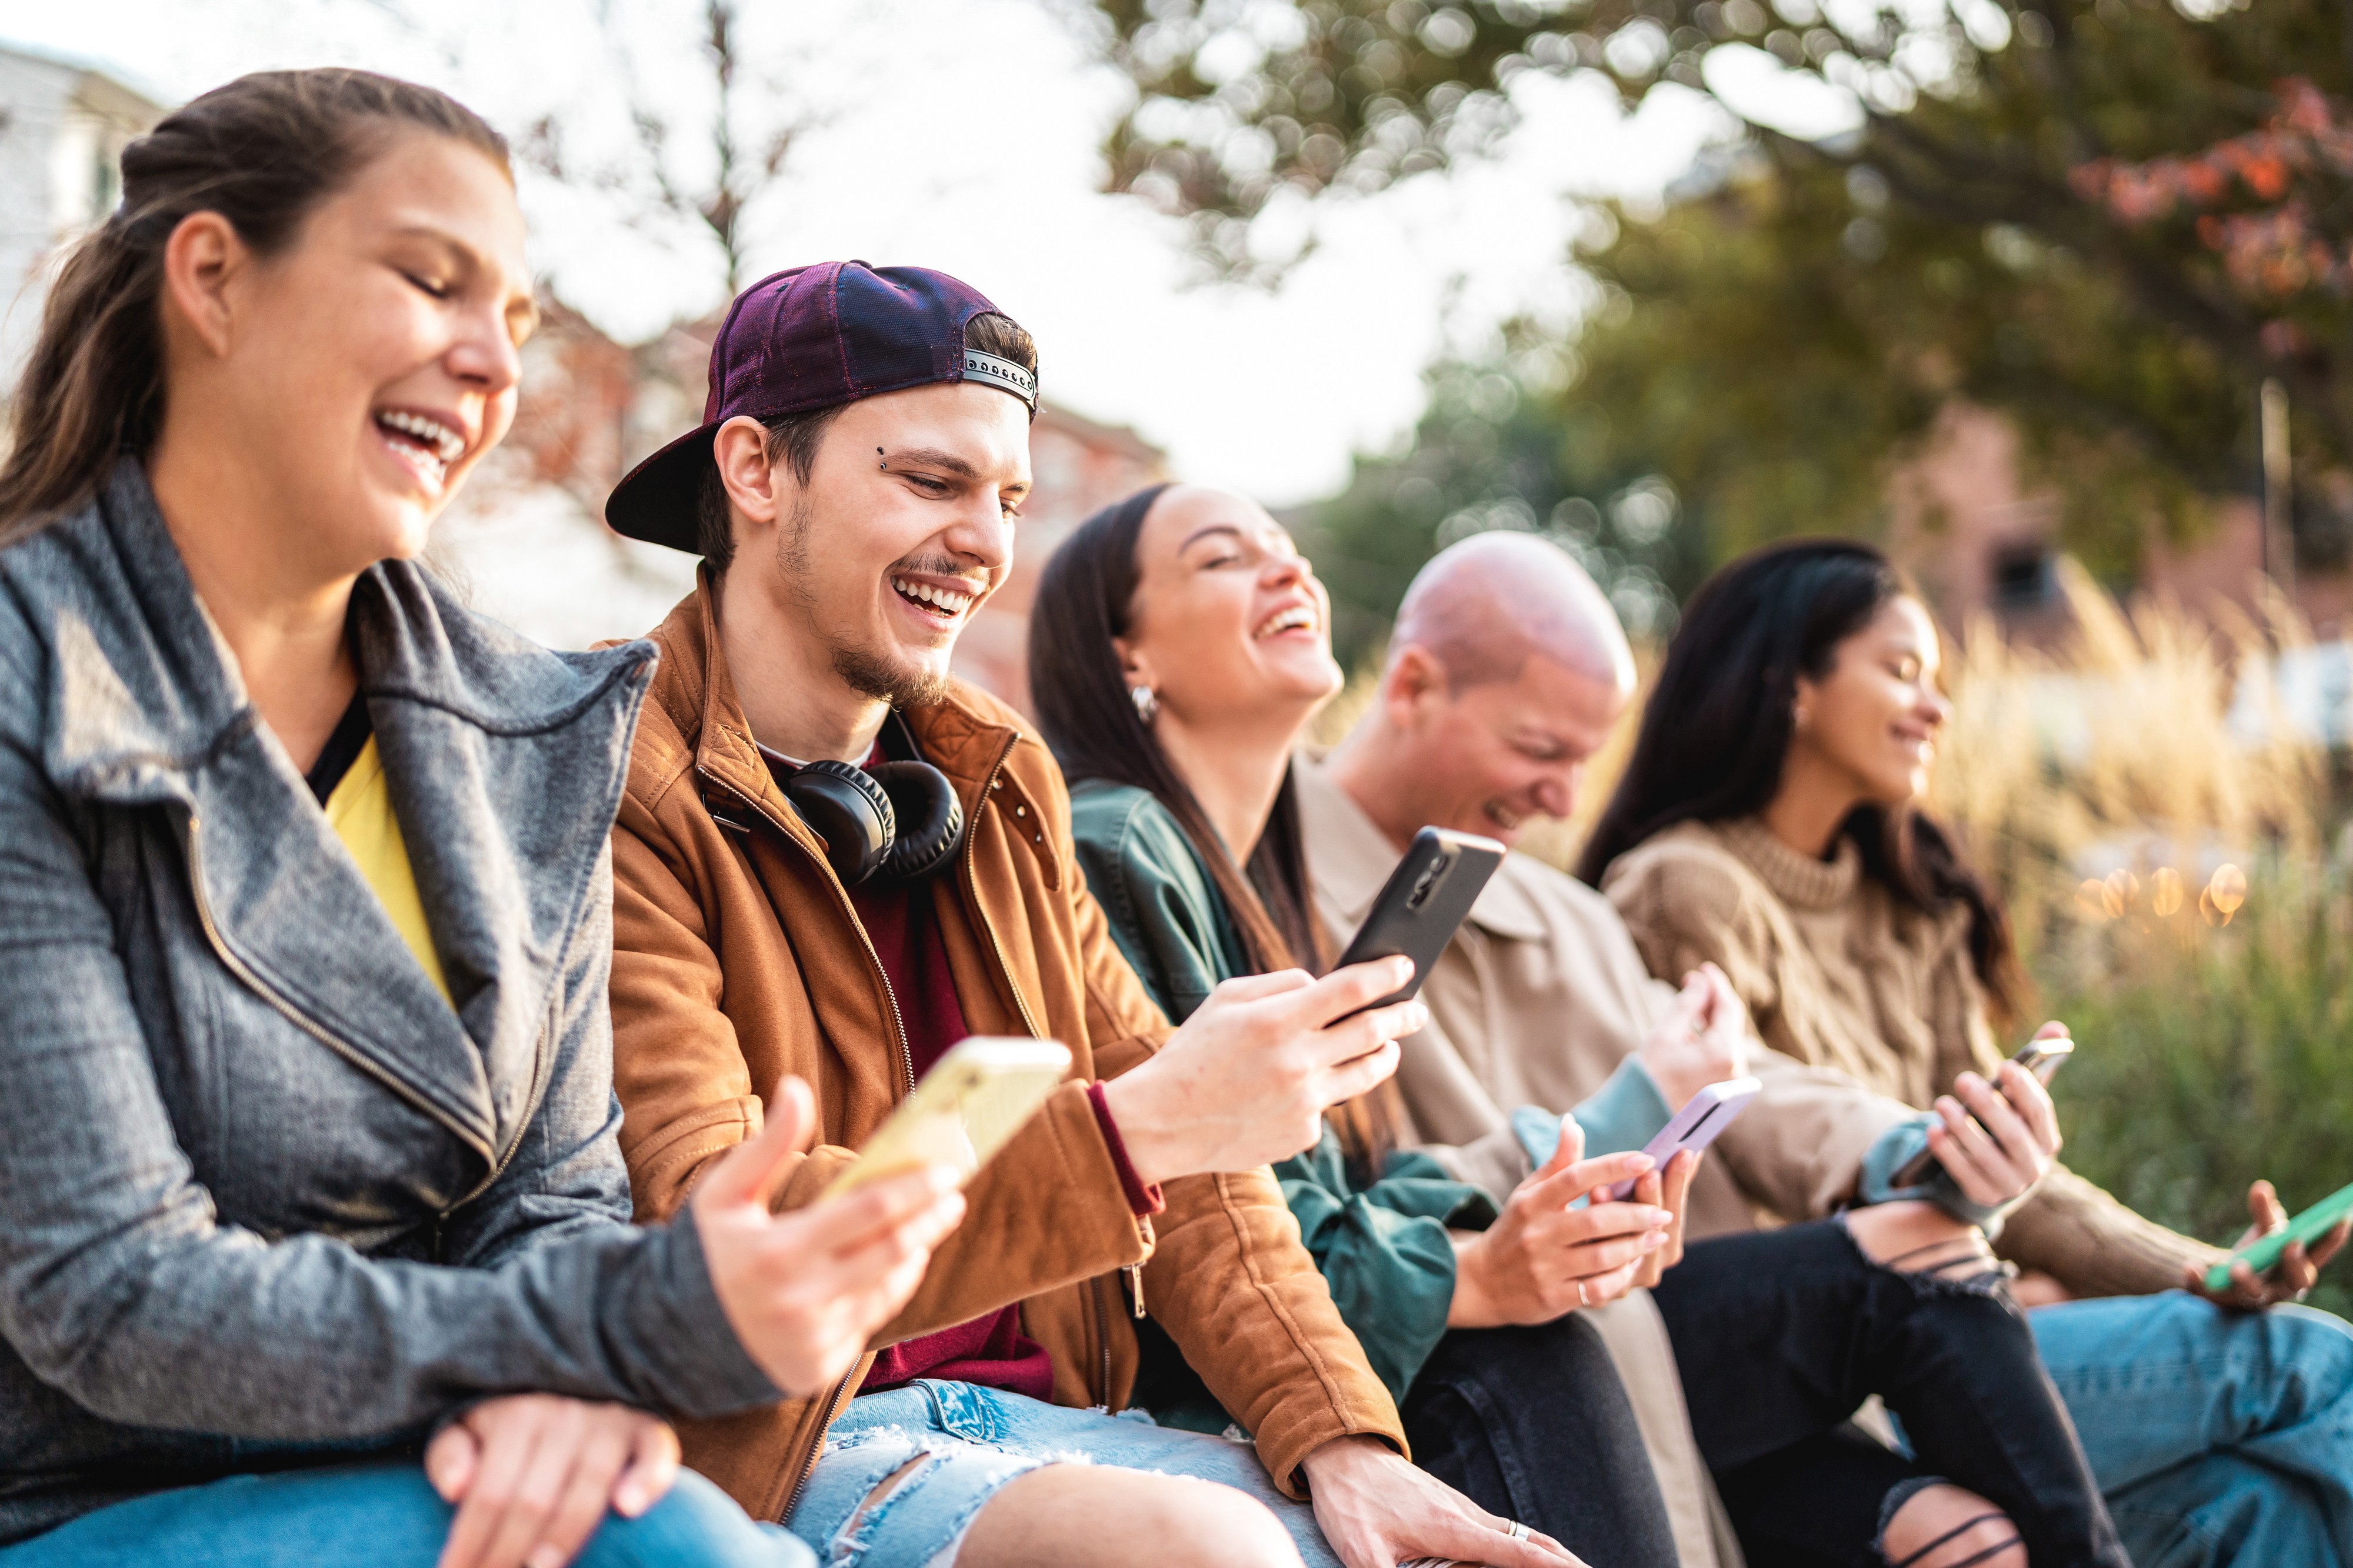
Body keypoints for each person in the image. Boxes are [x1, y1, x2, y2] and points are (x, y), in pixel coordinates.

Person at [0, 72, 976, 1568]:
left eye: (516, 323)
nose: (486, 363)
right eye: (428, 279)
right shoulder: (30, 678)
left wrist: (573, 1388)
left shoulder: (526, 729)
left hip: (435, 1457)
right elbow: (109, 1289)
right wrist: (621, 1329)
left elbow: (558, 1193)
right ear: (212, 279)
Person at [597, 262, 1572, 1568]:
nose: (986, 544)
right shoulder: (612, 782)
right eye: (930, 482)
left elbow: (1202, 1168)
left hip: (1051, 1431)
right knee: (1212, 1550)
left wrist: (1340, 1441)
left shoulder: (995, 781)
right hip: (782, 1450)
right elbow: (722, 1232)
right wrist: (1144, 1126)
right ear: (758, 471)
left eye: (1005, 498)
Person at [1032, 486, 2131, 1568]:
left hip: (1550, 1298)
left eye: (1288, 547)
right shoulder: (1150, 851)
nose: (1565, 801)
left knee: (1959, 1457)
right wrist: (1528, 1211)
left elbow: (1332, 1187)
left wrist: (1896, 1148)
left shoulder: (1281, 873)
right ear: (1128, 652)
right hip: (1396, 1351)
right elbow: (1212, 1210)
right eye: (1226, 557)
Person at [1589, 537, 2353, 1567]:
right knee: (2301, 1363)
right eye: (1902, 671)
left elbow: (2006, 1177)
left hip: (1969, 1327)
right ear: (1792, 686)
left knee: (2251, 1509)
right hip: (1842, 1381)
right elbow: (1737, 1164)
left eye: (1939, 681)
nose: (1935, 708)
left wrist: (2199, 1269)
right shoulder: (1684, 888)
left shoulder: (1914, 899)